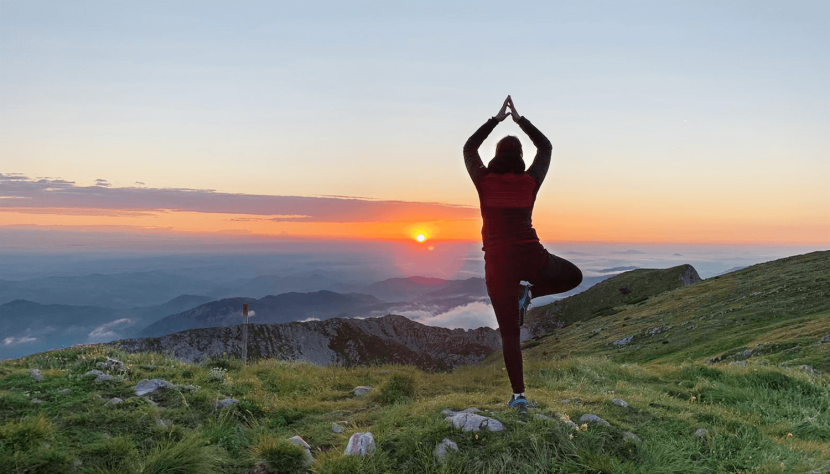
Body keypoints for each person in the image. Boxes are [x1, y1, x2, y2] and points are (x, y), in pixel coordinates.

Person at [463, 95, 583, 414]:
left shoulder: (484, 180)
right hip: (532, 256)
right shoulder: (530, 181)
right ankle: (528, 291)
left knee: (510, 334)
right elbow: (545, 148)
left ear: (497, 156)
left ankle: (519, 396)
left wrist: (496, 119)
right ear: (519, 157)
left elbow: (469, 149)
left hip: (498, 266)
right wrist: (519, 119)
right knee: (575, 276)